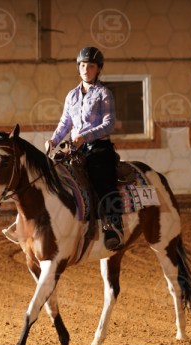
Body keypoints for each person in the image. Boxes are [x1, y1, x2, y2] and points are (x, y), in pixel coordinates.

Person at [45, 46, 124, 250]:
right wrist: (53, 141)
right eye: (82, 65)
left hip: (98, 148)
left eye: (91, 66)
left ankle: (114, 226)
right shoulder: (71, 95)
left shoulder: (104, 94)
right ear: (78, 68)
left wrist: (85, 137)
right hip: (76, 149)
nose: (86, 70)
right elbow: (65, 123)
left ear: (99, 69)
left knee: (101, 180)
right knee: (54, 175)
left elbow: (109, 124)